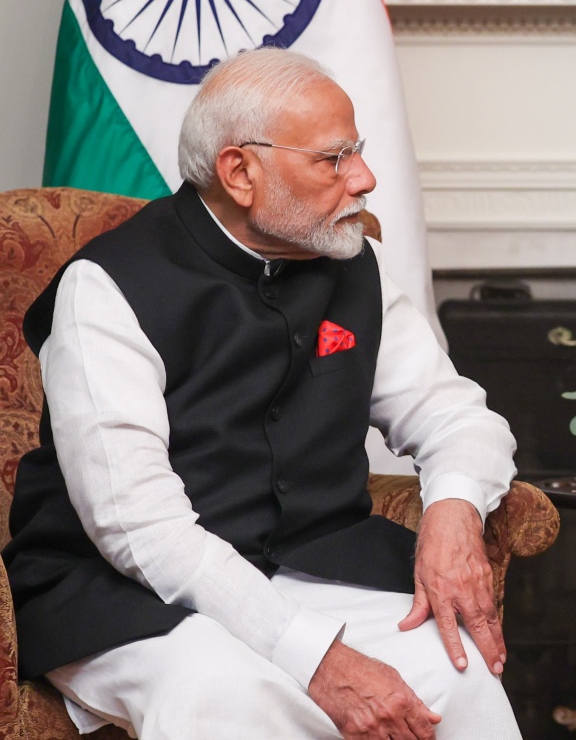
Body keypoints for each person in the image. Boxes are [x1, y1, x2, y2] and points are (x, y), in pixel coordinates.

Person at [3, 48, 521, 740]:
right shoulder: (105, 289)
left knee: (456, 675)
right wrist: (318, 658)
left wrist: (453, 512)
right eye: (332, 159)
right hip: (125, 594)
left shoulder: (348, 262)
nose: (364, 178)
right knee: (225, 691)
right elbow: (141, 529)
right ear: (240, 172)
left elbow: (454, 413)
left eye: (357, 151)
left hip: (306, 562)